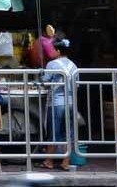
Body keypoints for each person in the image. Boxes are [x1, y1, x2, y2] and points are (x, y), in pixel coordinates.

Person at [41, 38, 78, 171]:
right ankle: (65, 162)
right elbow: (76, 85)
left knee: (54, 132)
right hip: (71, 103)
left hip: (56, 104)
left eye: (53, 50)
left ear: (58, 50)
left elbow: (45, 82)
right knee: (70, 133)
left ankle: (49, 161)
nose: (51, 52)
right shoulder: (74, 66)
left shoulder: (52, 64)